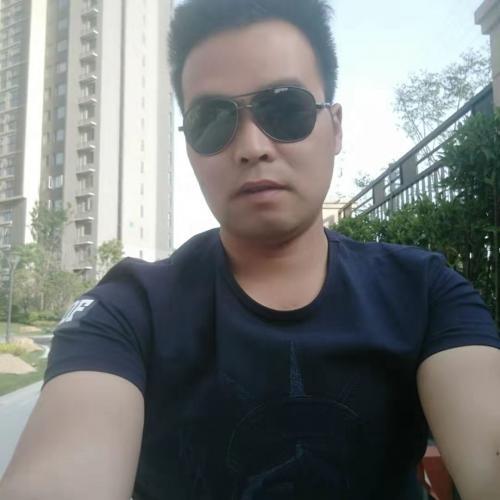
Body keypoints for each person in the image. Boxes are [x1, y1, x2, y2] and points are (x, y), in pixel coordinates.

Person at [1, 0, 500, 498]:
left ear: (335, 128)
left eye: (285, 109)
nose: (251, 146)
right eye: (211, 120)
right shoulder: (129, 311)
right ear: (189, 147)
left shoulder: (423, 292)